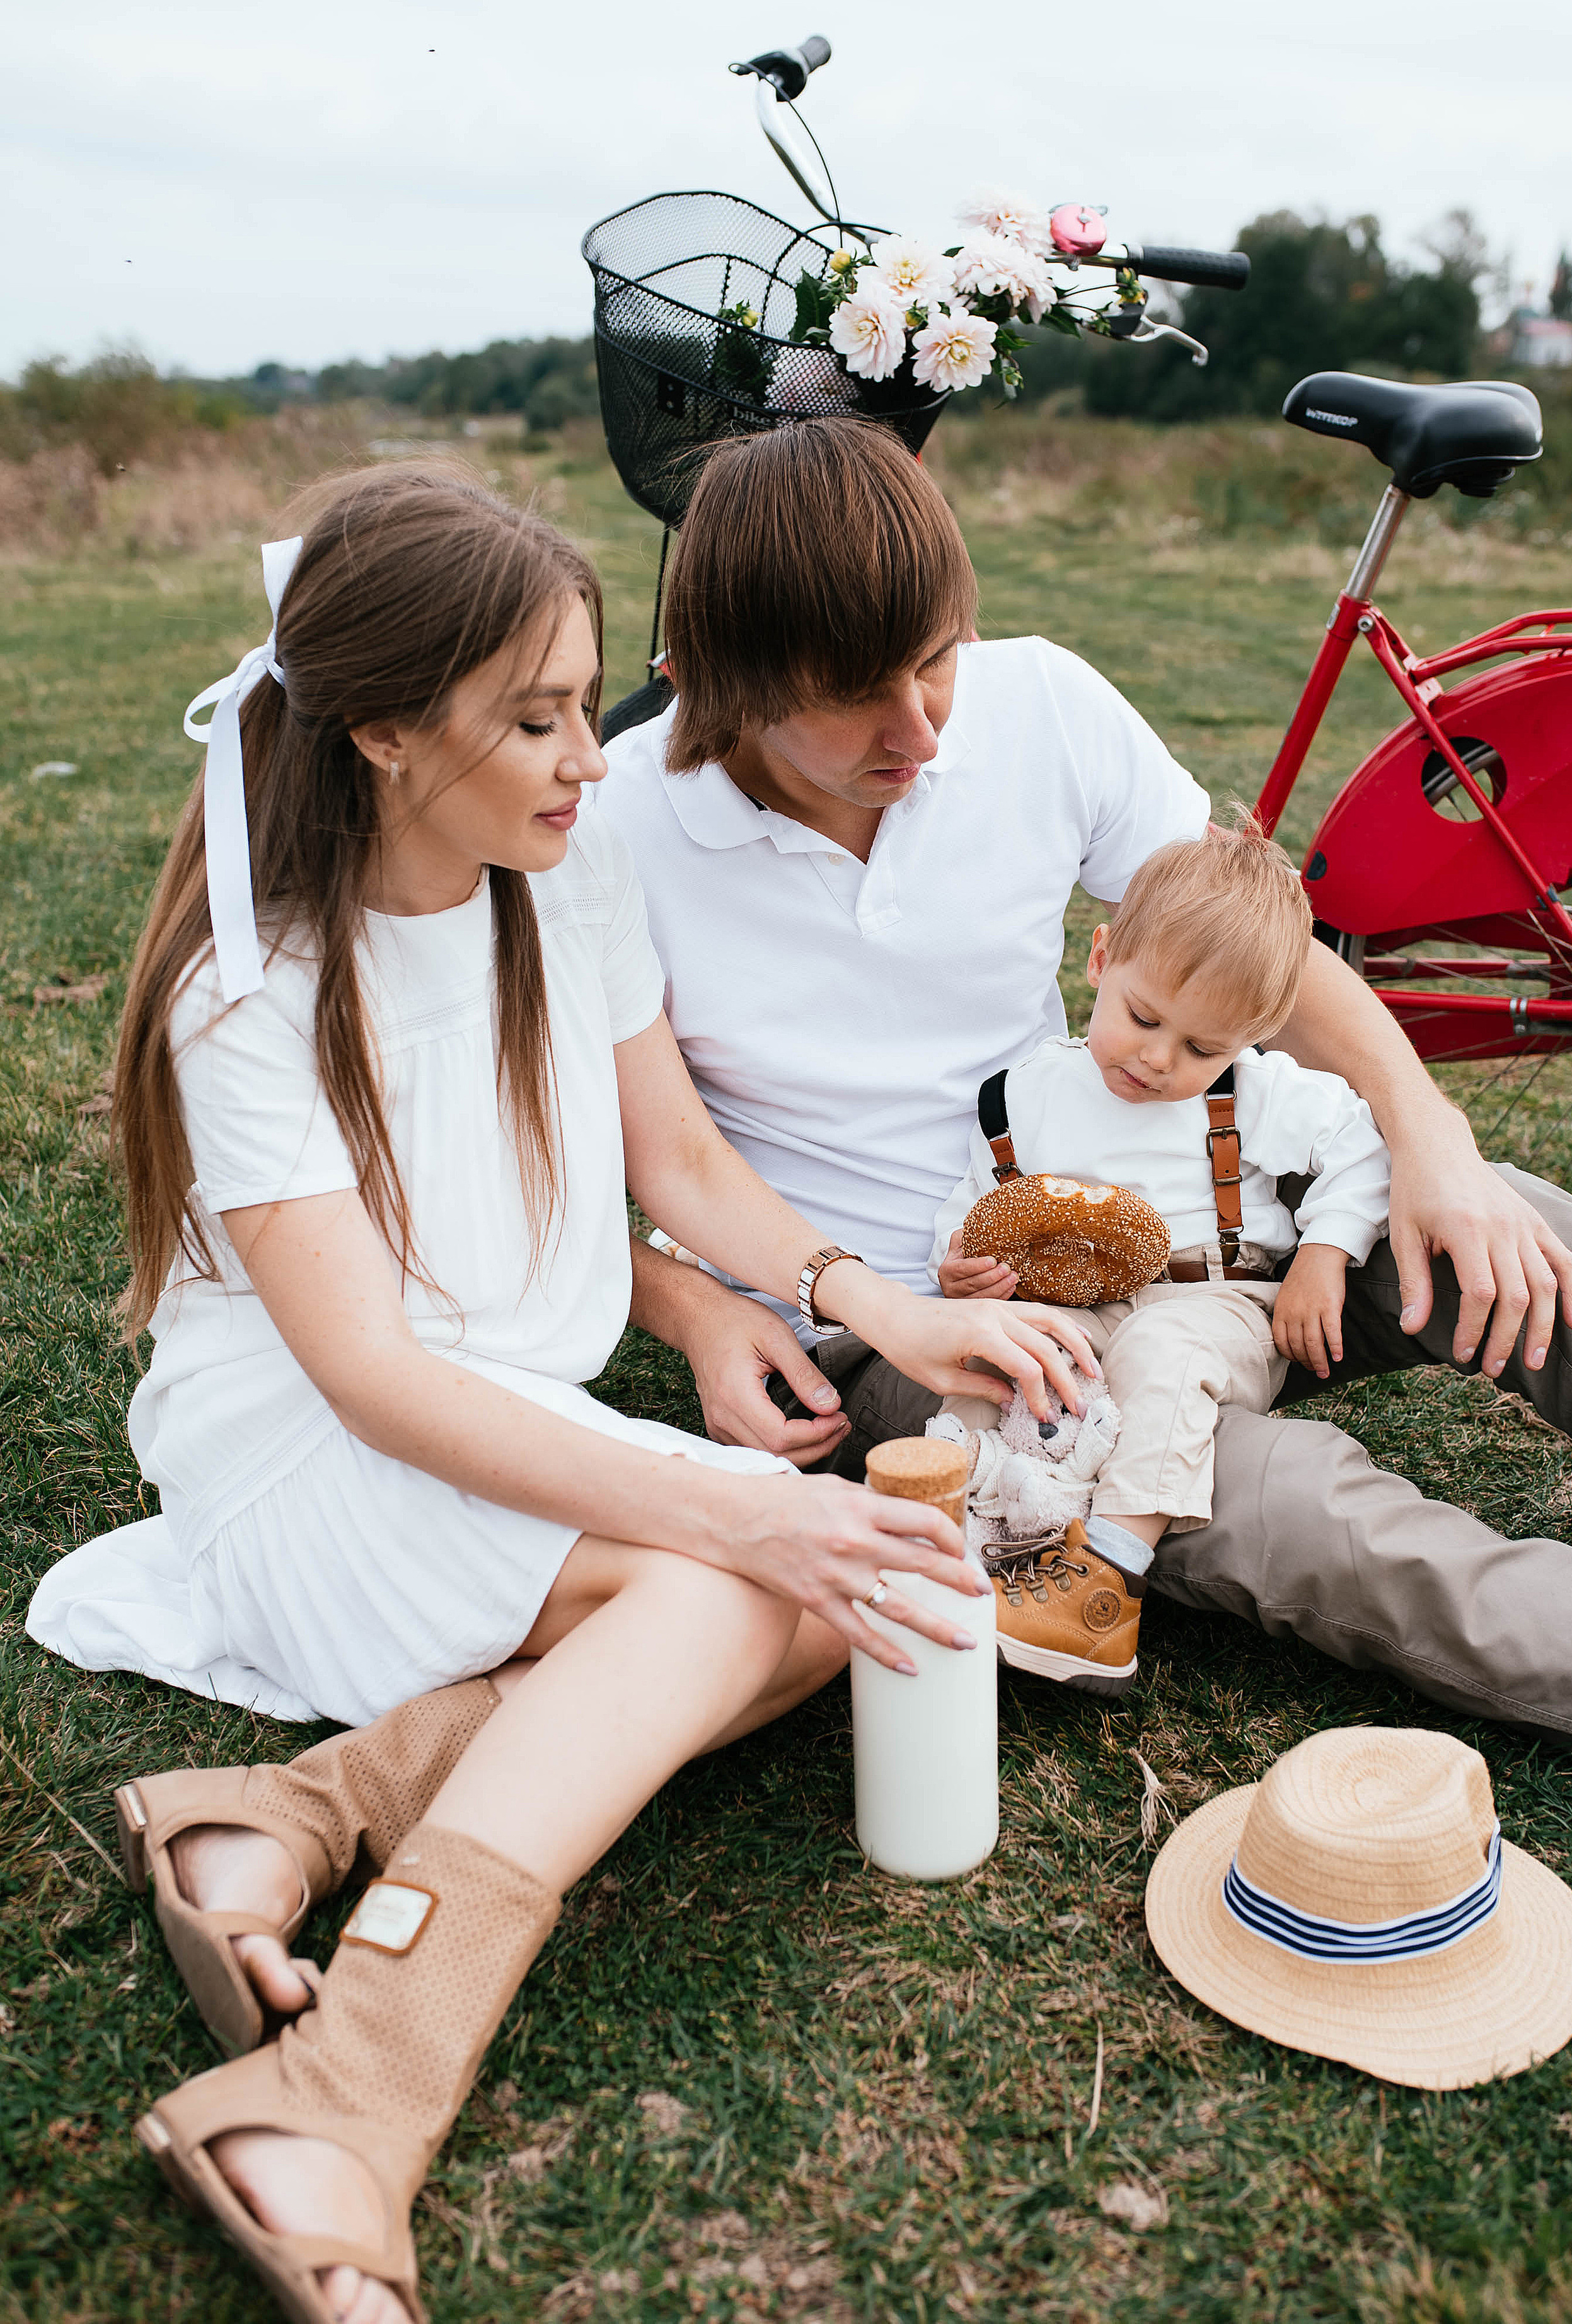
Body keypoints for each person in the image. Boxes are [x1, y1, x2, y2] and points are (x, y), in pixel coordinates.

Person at [26, 462, 1100, 2323]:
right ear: (378, 733)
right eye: (531, 718)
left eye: (583, 698)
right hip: (320, 1458)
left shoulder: (564, 870)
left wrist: (887, 1313)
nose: (592, 752)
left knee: (856, 1587)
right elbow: (368, 1379)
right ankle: (354, 2078)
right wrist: (735, 1506)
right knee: (765, 1572)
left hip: (497, 1406)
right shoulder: (251, 993)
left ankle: (296, 1814)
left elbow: (674, 1166)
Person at [599, 415, 1572, 1767]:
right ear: (719, 680)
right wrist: (704, 1313)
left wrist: (1427, 1135)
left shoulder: (1043, 704)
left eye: (934, 662)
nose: (920, 730)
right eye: (857, 694)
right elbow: (652, 1162)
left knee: (1526, 1231)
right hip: (935, 1324)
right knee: (1285, 1506)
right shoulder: (609, 828)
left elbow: (1260, 953)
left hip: (1214, 1230)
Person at [928, 821, 1392, 1689]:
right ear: (1101, 959)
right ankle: (951, 1527)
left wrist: (1326, 1253)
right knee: (995, 1362)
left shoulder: (1252, 1091)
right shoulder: (1026, 1091)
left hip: (1213, 1302)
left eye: (1202, 1048)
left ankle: (1103, 1583)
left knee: (1161, 1359)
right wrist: (958, 1267)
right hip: (1073, 1303)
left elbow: (1362, 1142)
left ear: (1250, 1039)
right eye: (1143, 1018)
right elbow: (976, 1205)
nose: (1157, 1058)